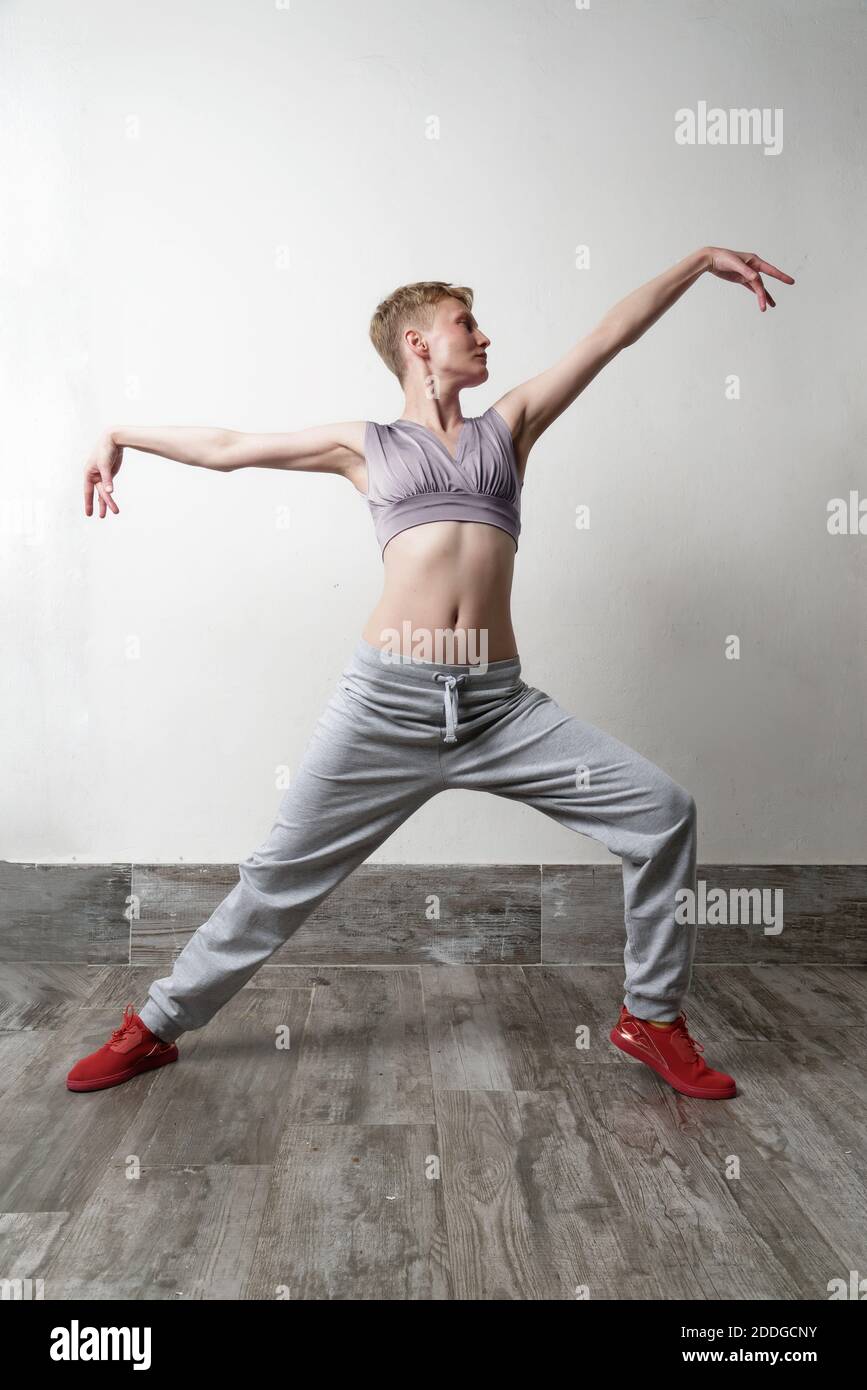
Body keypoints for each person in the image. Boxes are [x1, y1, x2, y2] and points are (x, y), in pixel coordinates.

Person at [67, 247, 794, 1100]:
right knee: (275, 881)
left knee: (662, 811)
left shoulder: (509, 424)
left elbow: (609, 337)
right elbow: (227, 447)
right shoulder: (363, 445)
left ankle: (652, 1018)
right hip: (386, 705)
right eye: (466, 324)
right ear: (417, 343)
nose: (485, 337)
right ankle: (153, 1027)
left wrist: (697, 263)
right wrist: (118, 433)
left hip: (499, 708)